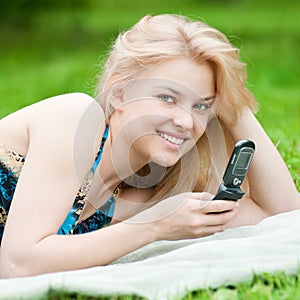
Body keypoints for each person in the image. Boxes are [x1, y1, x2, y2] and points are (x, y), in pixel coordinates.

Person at [0, 14, 299, 278]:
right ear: (118, 92)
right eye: (167, 98)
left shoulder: (146, 196)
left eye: (200, 106)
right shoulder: (75, 119)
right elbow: (17, 264)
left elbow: (283, 215)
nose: (185, 121)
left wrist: (234, 106)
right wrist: (155, 226)